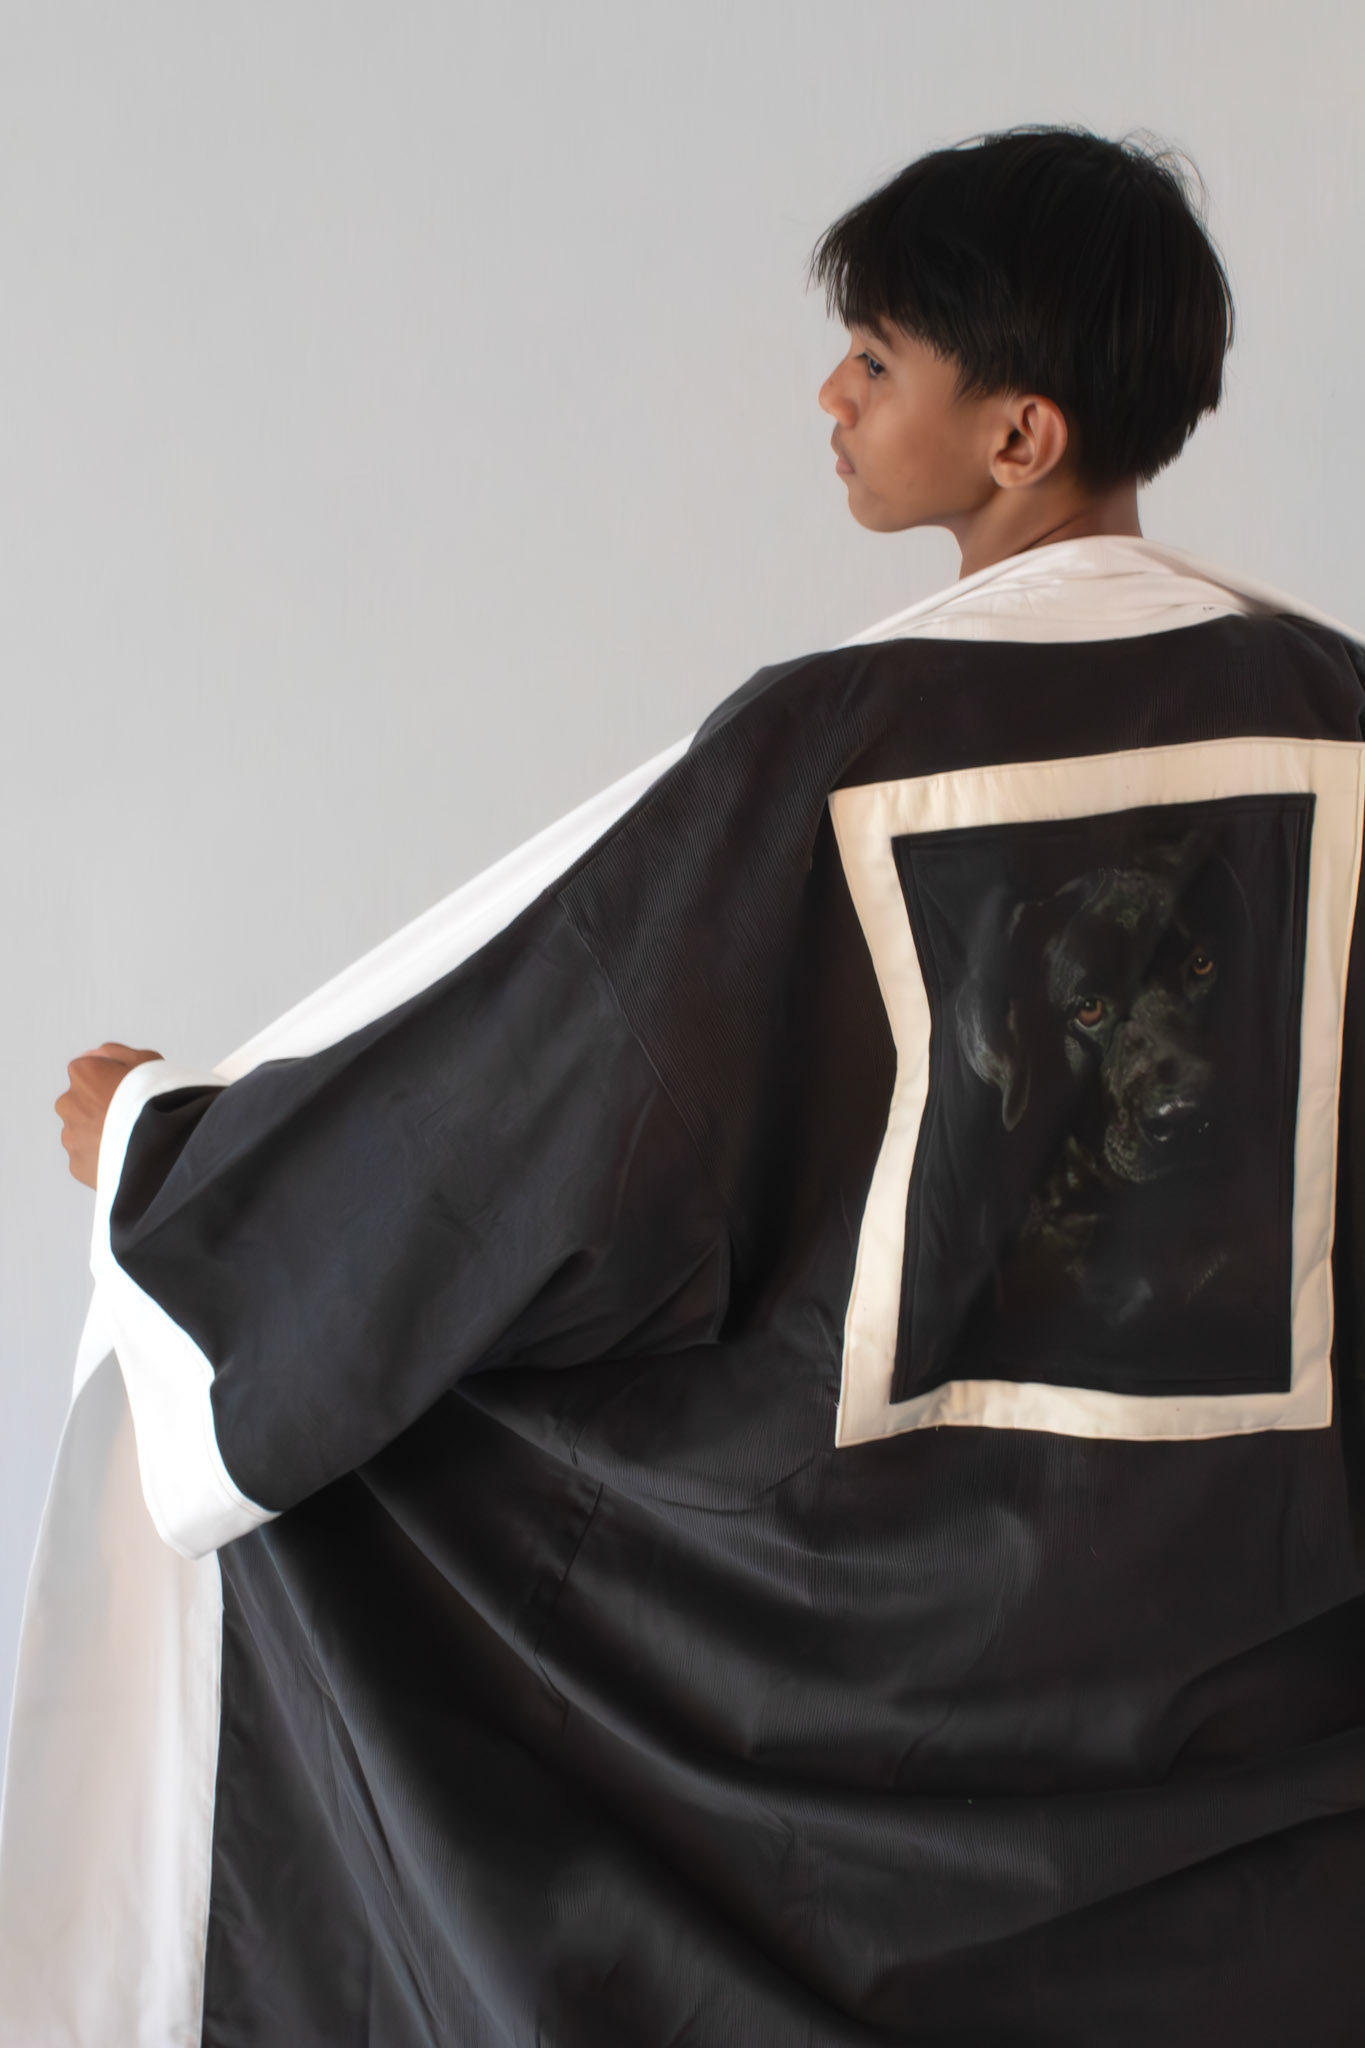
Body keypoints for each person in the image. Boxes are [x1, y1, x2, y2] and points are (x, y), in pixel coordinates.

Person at [42, 125, 1365, 2044]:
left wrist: (183, 1171)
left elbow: (539, 1112)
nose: (831, 395)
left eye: (878, 359)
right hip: (1261, 1718)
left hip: (871, 1711)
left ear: (1019, 434)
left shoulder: (836, 746)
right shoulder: (1341, 720)